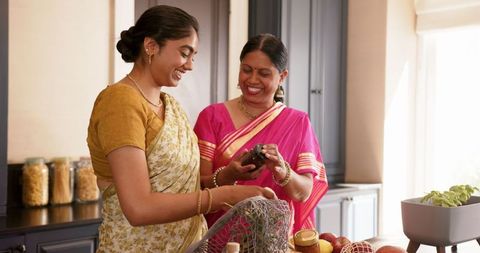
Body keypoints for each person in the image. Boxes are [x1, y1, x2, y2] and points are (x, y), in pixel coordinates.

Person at [87, 6, 275, 253]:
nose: (190, 66)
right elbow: (139, 207)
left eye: (194, 56)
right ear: (151, 46)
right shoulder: (121, 102)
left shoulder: (171, 106)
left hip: (190, 245)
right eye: (185, 53)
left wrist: (226, 176)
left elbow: (176, 186)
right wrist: (227, 194)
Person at [194, 33, 328, 234]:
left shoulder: (297, 122)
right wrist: (229, 174)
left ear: (282, 76)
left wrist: (283, 171)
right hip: (218, 239)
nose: (252, 80)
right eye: (246, 70)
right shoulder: (212, 117)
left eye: (264, 74)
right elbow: (196, 187)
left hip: (274, 239)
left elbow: (304, 193)